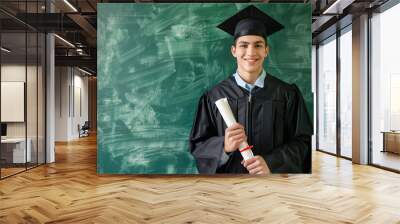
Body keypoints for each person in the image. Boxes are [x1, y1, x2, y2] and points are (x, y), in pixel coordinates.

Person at [189, 5, 313, 174]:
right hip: (228, 188)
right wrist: (223, 146)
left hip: (273, 187)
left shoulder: (287, 94)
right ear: (234, 51)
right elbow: (198, 145)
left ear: (266, 51)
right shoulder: (214, 96)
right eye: (243, 45)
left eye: (258, 45)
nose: (251, 52)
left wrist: (272, 163)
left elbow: (302, 143)